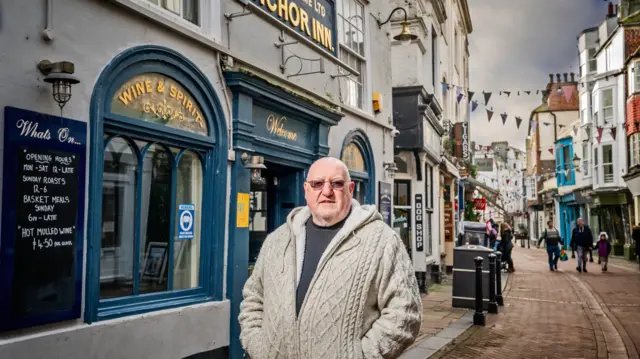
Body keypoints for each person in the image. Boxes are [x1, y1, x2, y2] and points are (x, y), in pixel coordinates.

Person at [238, 157, 422, 359]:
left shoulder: (382, 241)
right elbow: (253, 298)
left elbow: (405, 313)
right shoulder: (277, 240)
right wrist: (259, 347)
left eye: (336, 183)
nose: (326, 191)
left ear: (350, 189)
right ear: (306, 190)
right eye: (317, 184)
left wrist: (360, 356)